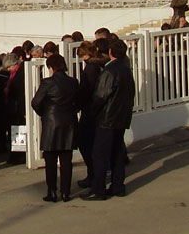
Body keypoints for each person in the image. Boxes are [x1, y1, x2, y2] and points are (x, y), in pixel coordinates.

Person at [83, 39, 136, 201]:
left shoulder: (109, 71)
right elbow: (131, 93)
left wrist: (92, 113)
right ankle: (118, 186)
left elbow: (100, 96)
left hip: (107, 119)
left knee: (100, 155)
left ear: (111, 52)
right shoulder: (126, 69)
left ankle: (98, 190)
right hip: (121, 117)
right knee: (117, 153)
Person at [31, 53, 79, 202]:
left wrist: (44, 114)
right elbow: (79, 101)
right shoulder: (73, 82)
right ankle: (66, 192)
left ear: (51, 67)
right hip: (69, 122)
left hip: (51, 122)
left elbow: (35, 102)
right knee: (66, 159)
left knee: (50, 160)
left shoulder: (47, 83)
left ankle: (52, 191)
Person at [76, 41, 109, 188]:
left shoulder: (91, 69)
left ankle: (93, 175)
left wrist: (78, 104)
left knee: (85, 143)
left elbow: (86, 90)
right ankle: (94, 174)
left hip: (90, 110)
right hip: (98, 110)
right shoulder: (101, 66)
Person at [3, 50, 26, 164]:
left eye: (9, 67)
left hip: (19, 106)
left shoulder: (20, 74)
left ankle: (18, 155)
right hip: (15, 106)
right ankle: (16, 155)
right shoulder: (15, 74)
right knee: (16, 131)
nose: (8, 70)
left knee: (19, 131)